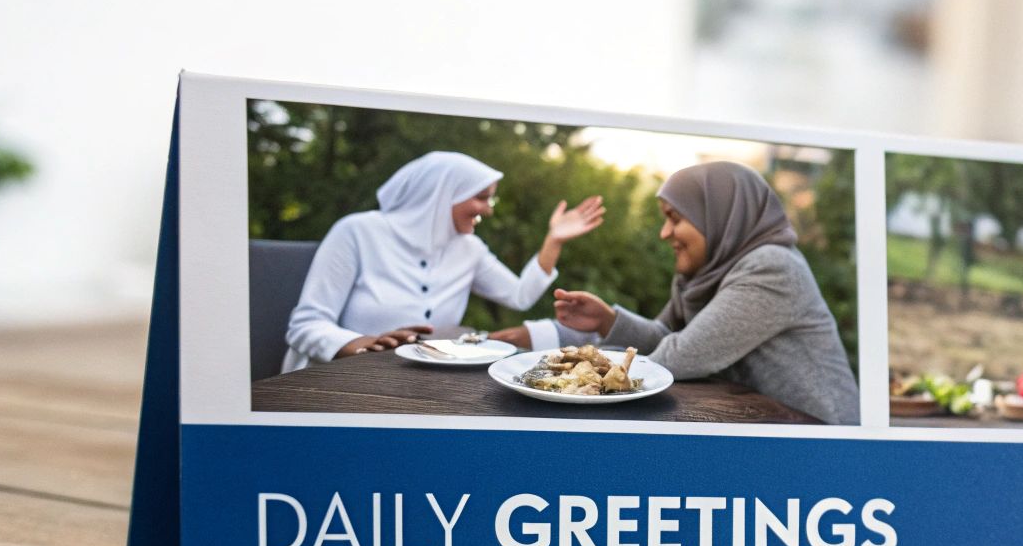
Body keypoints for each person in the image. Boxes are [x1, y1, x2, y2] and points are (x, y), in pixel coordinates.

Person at [506, 161, 860, 426]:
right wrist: (609, 320)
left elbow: (679, 357)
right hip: (763, 422)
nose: (664, 233)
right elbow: (667, 338)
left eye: (675, 218)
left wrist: (572, 376)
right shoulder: (703, 272)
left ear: (718, 215)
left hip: (822, 438)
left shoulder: (773, 268)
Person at [282, 151, 604, 372]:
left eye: (491, 198)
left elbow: (519, 297)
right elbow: (305, 325)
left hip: (419, 384)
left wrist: (554, 240)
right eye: (481, 197)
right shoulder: (357, 231)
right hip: (338, 382)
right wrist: (361, 343)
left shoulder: (469, 248)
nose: (489, 209)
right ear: (442, 193)